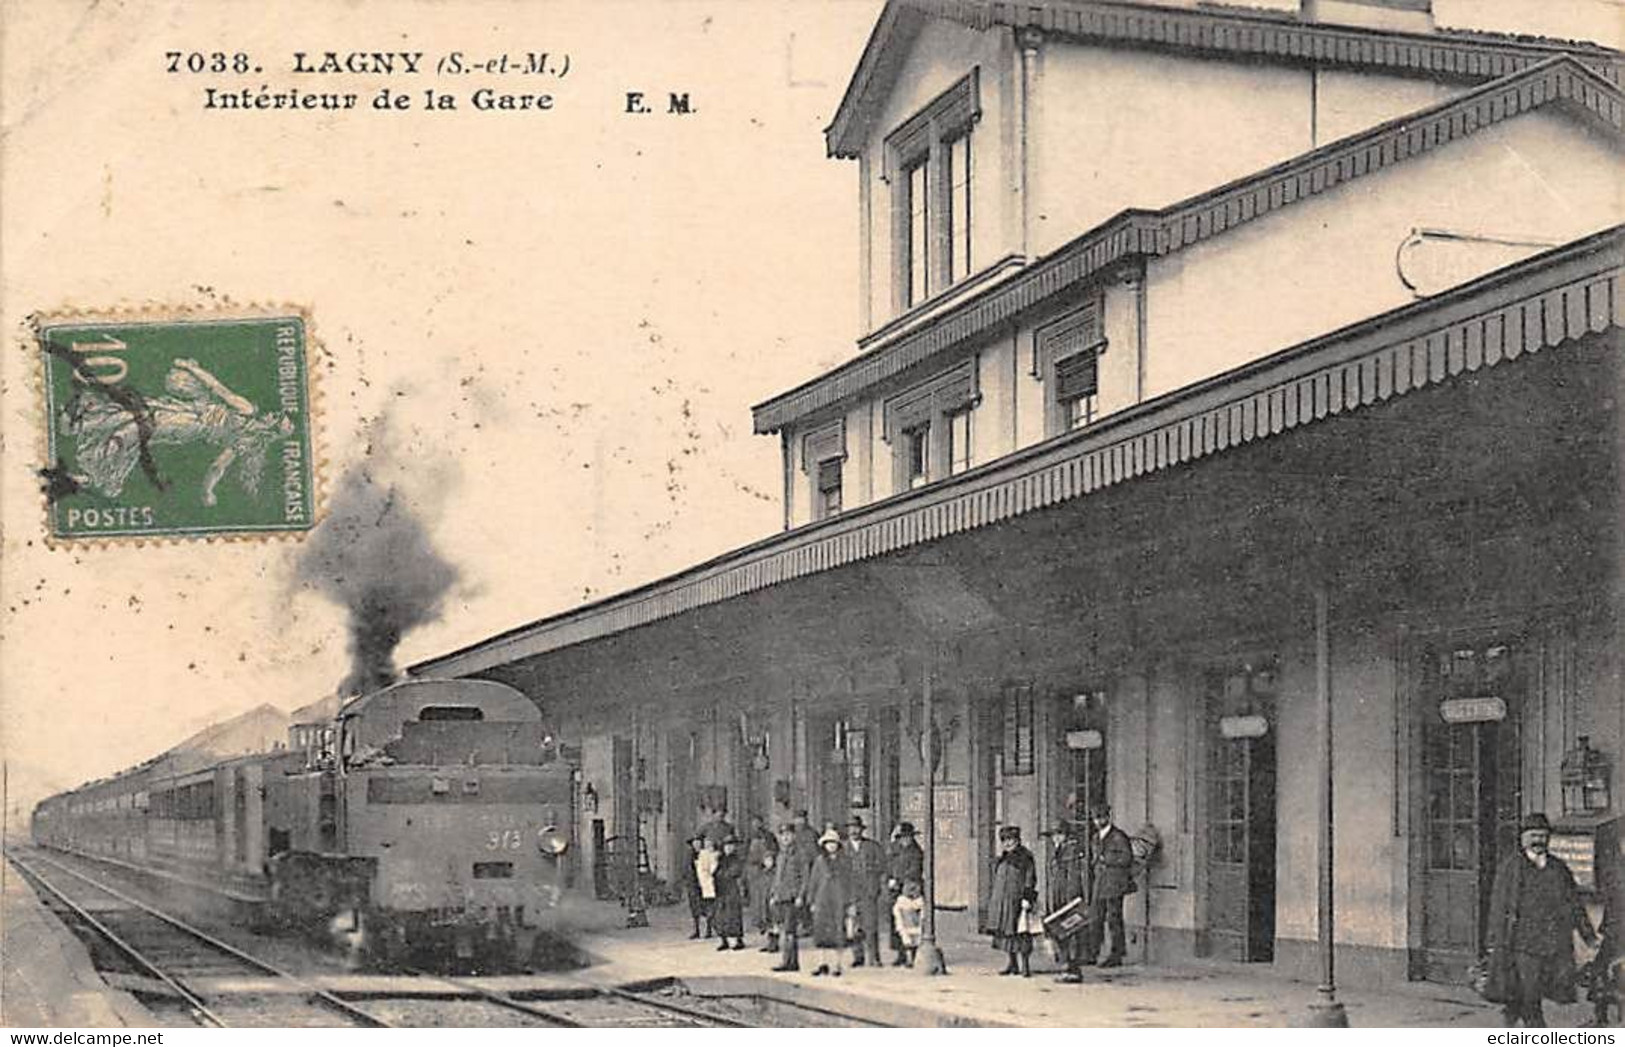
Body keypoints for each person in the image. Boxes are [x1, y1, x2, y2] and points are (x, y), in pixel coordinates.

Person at [1486, 812, 1597, 1027]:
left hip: (1553, 944)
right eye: (1533, 835)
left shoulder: (1558, 868)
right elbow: (1498, 907)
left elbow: (1574, 905)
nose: (1538, 840)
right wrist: (1494, 942)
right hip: (1522, 945)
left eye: (1543, 835)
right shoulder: (1511, 868)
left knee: (1530, 993)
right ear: (1523, 839)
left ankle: (1510, 1020)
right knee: (1531, 996)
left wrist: (1589, 936)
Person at [1085, 804, 1135, 968]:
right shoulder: (1095, 838)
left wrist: (1107, 860)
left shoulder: (1119, 837)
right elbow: (1094, 858)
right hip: (1100, 883)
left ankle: (1117, 954)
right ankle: (1093, 953)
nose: (1098, 821)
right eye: (1095, 818)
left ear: (1108, 817)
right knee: (1095, 917)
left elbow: (1127, 859)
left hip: (1114, 883)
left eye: (1101, 817)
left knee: (1114, 919)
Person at [987, 825, 1038, 976]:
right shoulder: (1003, 858)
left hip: (1018, 901)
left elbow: (1030, 878)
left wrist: (1027, 897)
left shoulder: (1025, 857)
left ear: (1017, 840)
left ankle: (1025, 965)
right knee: (1006, 933)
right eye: (1004, 840)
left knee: (1021, 932)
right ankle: (1012, 963)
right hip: (1003, 901)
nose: (1007, 843)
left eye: (1011, 840)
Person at [1047, 816, 1091, 982]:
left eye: (1060, 834)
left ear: (1066, 835)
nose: (1056, 838)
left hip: (1068, 899)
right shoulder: (1058, 851)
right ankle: (1066, 967)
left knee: (1071, 933)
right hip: (1058, 897)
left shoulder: (1071, 852)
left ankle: (1072, 969)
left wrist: (1072, 900)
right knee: (1062, 933)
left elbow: (1073, 878)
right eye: (1054, 835)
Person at [806, 828, 853, 977]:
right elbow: (813, 881)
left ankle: (837, 965)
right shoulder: (819, 861)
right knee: (821, 933)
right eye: (828, 843)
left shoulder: (844, 861)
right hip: (822, 900)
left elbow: (849, 882)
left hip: (838, 901)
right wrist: (811, 900)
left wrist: (850, 902)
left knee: (838, 932)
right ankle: (822, 963)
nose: (831, 846)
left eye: (834, 843)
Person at [844, 815, 886, 967]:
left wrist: (875, 886)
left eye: (856, 828)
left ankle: (874, 957)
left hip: (869, 892)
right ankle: (858, 957)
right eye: (851, 828)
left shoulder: (872, 847)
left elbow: (882, 866)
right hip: (851, 893)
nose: (854, 831)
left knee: (871, 926)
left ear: (861, 830)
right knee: (854, 926)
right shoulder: (843, 848)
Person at [769, 823, 811, 972]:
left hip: (792, 898)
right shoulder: (781, 855)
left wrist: (801, 896)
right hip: (781, 897)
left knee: (790, 931)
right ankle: (790, 961)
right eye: (782, 835)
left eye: (788, 834)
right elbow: (777, 877)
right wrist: (773, 894)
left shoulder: (800, 854)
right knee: (784, 930)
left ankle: (790, 962)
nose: (785, 837)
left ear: (794, 836)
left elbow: (805, 877)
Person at [884, 822, 924, 965]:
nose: (905, 840)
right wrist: (889, 879)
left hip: (909, 890)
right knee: (897, 924)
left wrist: (899, 879)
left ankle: (911, 955)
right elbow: (887, 865)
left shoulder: (916, 852)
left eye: (908, 837)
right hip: (895, 890)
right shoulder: (894, 849)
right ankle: (900, 954)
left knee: (910, 923)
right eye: (902, 837)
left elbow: (915, 871)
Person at [745, 814, 779, 948]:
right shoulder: (749, 837)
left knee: (770, 909)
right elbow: (746, 855)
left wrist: (767, 861)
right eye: (753, 823)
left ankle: (773, 941)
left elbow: (773, 852)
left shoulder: (769, 837)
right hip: (755, 876)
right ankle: (766, 935)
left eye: (758, 822)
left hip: (767, 873)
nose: (756, 825)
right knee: (759, 907)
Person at [712, 836, 749, 951]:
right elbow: (715, 872)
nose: (728, 848)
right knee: (720, 915)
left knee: (733, 915)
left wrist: (722, 875)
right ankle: (723, 939)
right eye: (726, 846)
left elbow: (735, 872)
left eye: (731, 846)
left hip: (732, 889)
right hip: (721, 890)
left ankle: (738, 939)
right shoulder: (721, 859)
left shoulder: (737, 859)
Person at [892, 880, 925, 968]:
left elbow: (922, 913)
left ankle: (912, 958)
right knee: (907, 941)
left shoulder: (920, 901)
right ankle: (909, 958)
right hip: (906, 924)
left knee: (915, 940)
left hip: (915, 924)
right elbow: (897, 912)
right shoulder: (901, 901)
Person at [678, 834, 705, 939]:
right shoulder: (689, 856)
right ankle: (696, 929)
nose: (697, 845)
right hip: (693, 885)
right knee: (694, 907)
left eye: (699, 843)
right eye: (695, 843)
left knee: (707, 906)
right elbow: (686, 870)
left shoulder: (705, 854)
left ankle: (708, 929)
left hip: (704, 884)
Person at [695, 836, 720, 938]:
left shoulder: (716, 854)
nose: (709, 846)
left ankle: (715, 927)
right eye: (707, 844)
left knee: (716, 907)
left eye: (710, 844)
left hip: (716, 883)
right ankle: (707, 928)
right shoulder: (703, 855)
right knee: (707, 907)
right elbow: (702, 870)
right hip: (706, 883)